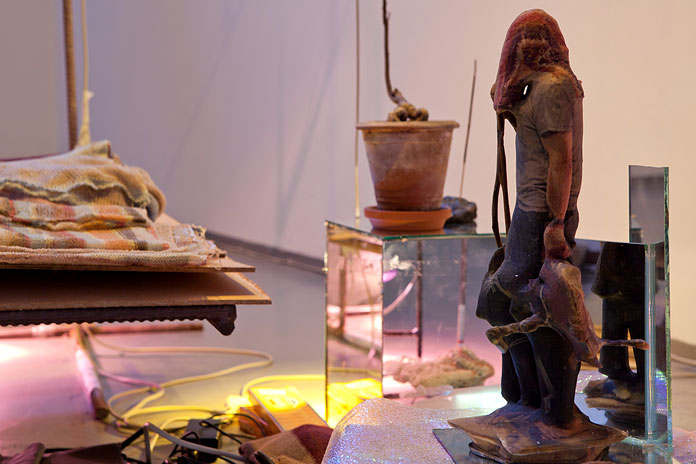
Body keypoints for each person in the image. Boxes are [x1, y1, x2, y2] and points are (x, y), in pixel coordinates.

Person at [476, 9, 584, 425]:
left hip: (541, 213)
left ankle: (547, 408)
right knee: (509, 301)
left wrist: (556, 224)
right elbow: (536, 132)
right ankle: (527, 398)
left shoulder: (554, 87)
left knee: (522, 301)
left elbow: (562, 161)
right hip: (530, 209)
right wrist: (510, 105)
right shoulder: (541, 87)